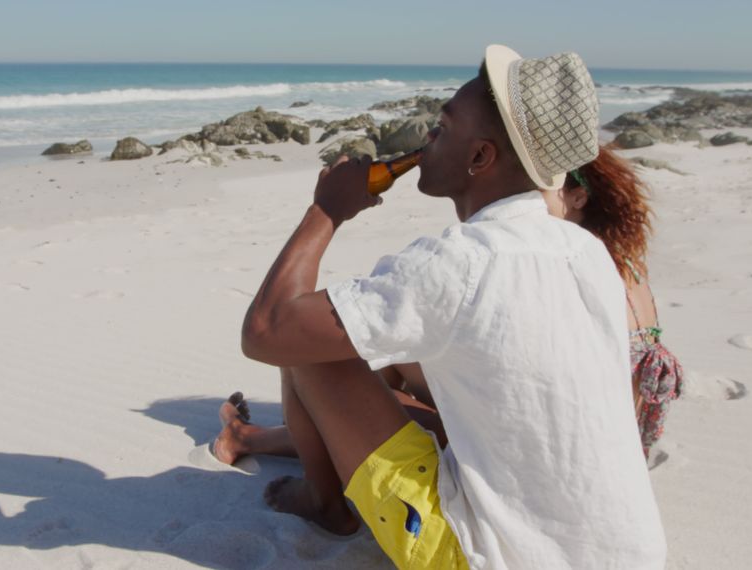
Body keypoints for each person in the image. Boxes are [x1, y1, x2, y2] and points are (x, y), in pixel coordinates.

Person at [238, 44, 666, 569]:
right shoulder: (587, 252)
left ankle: (327, 505)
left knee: (309, 350)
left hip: (491, 560)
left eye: (442, 127)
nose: (427, 138)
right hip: (632, 556)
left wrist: (326, 211)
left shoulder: (458, 264)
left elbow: (266, 329)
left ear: (480, 158)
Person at [215, 147, 685, 465]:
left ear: (577, 196)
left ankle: (280, 462)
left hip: (559, 449)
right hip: (618, 447)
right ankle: (276, 438)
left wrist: (327, 209)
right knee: (399, 355)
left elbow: (267, 331)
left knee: (331, 352)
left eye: (532, 189)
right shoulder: (609, 261)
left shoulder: (553, 261)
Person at [544, 146, 685, 458]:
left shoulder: (583, 260)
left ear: (577, 198)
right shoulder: (624, 256)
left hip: (608, 406)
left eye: (539, 190)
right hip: (631, 412)